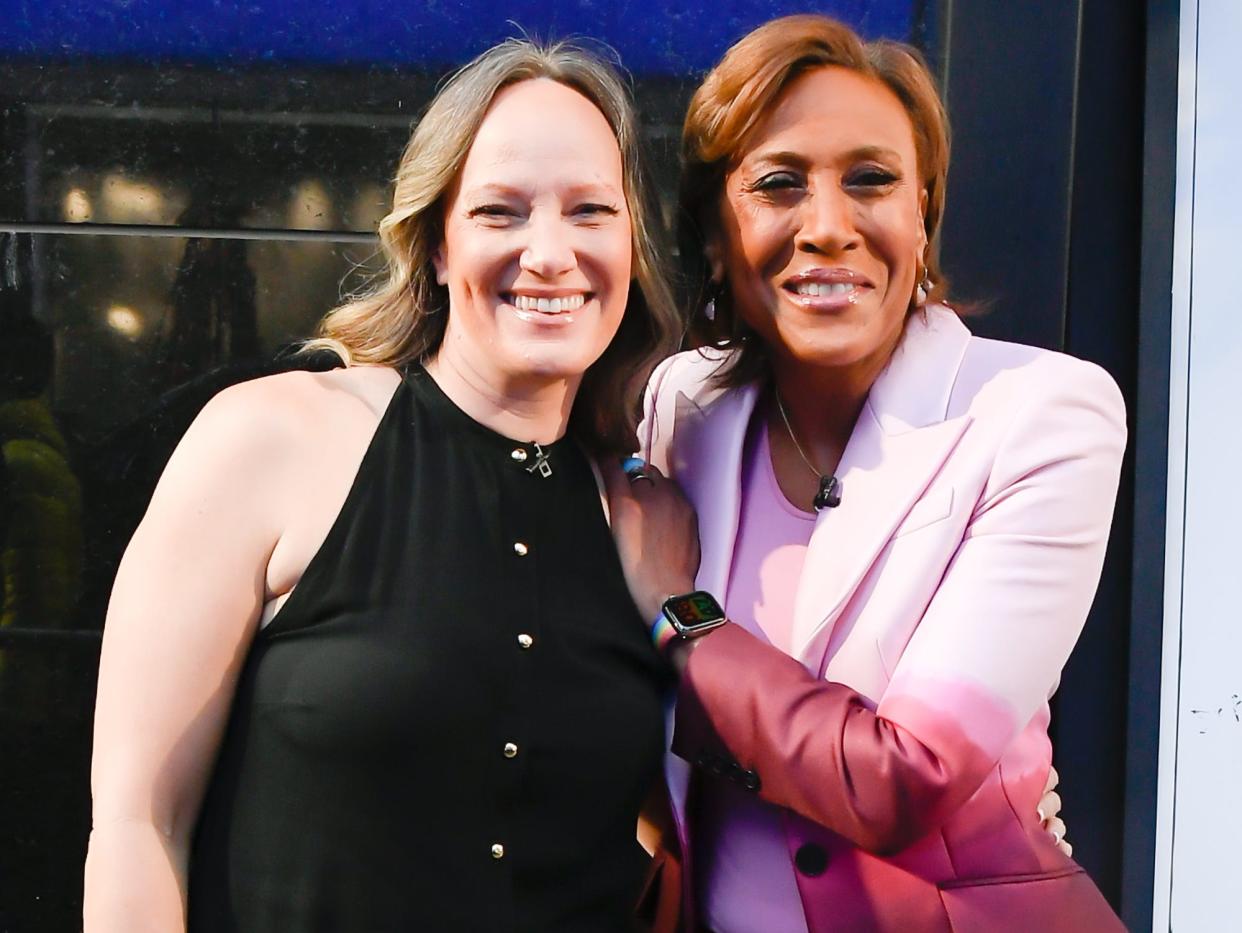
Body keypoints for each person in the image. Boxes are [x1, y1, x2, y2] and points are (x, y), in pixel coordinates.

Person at [83, 38, 683, 932]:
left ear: (631, 248)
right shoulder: (272, 437)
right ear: (436, 244)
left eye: (590, 210)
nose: (551, 252)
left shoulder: (654, 515)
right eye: (500, 212)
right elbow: (138, 825)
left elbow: (651, 834)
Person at [604, 15, 1126, 932]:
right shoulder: (682, 406)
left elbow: (904, 778)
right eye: (778, 184)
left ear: (922, 217)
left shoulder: (1042, 412)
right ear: (717, 237)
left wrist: (678, 613)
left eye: (872, 180)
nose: (829, 228)